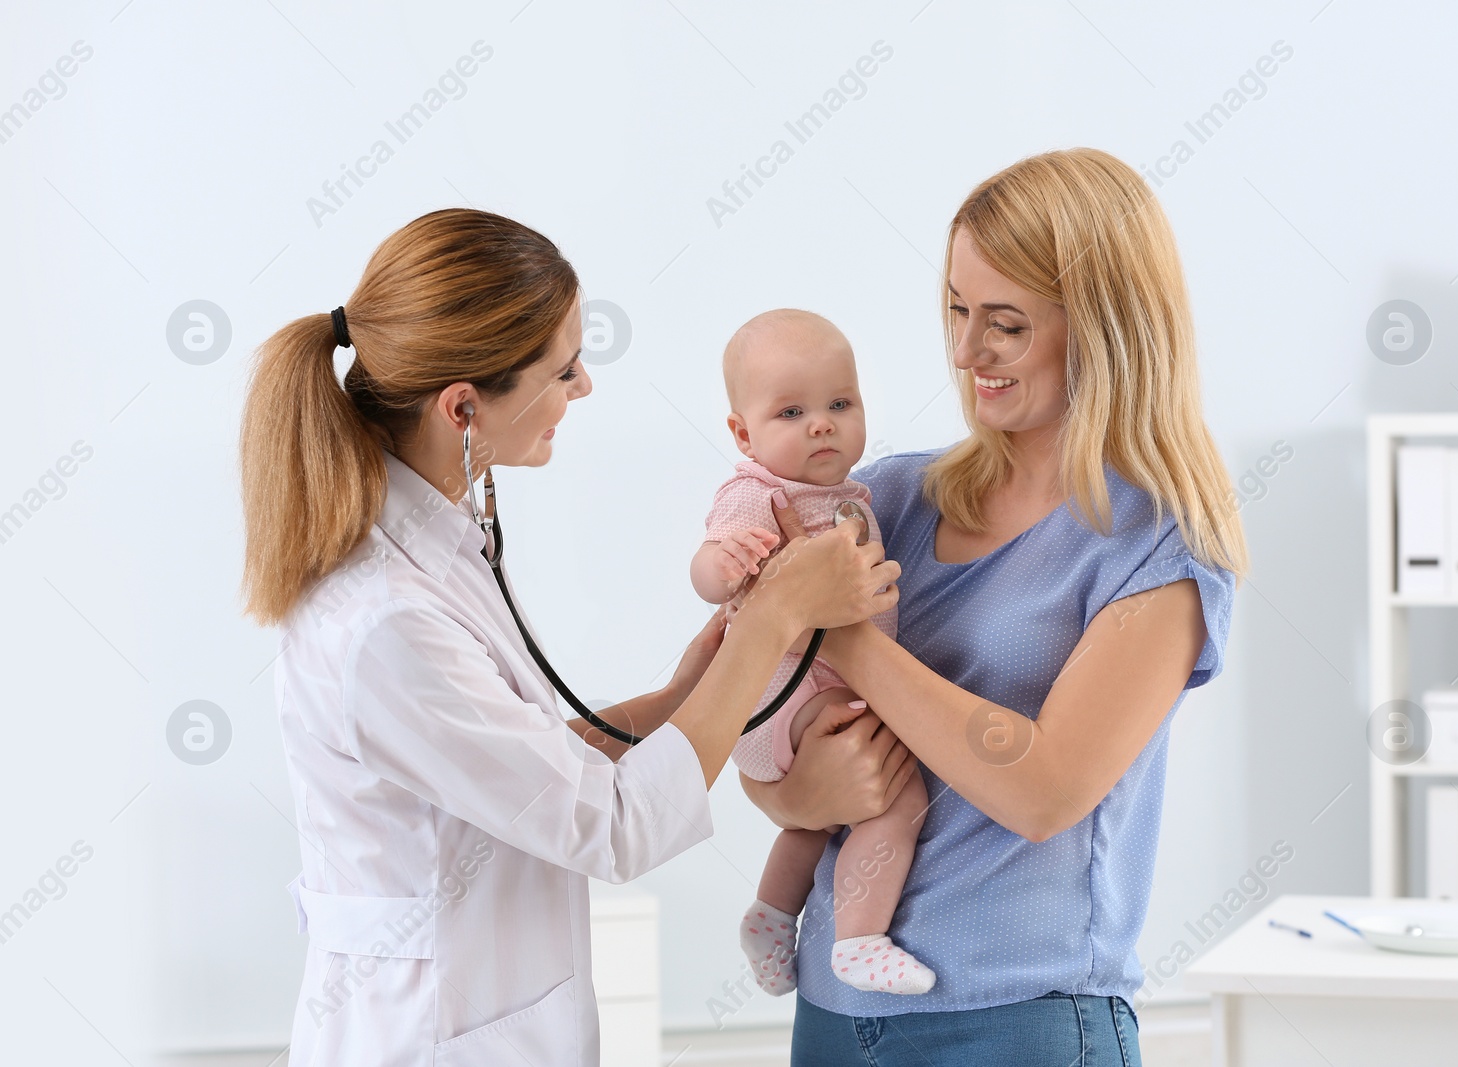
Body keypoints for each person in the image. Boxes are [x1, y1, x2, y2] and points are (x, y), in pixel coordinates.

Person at [236, 208, 901, 1067]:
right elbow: (611, 827)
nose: (583, 387)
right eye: (562, 369)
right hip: (429, 1038)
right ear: (463, 407)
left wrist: (681, 694)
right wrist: (771, 618)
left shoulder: (435, 547)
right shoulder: (384, 623)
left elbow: (523, 770)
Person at [741, 148, 1249, 1067]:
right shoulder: (887, 500)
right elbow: (766, 713)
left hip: (1019, 1021)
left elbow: (1046, 790)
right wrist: (792, 789)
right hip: (833, 1013)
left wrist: (849, 638)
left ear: (1103, 329)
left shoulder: (1156, 545)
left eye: (1006, 324)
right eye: (957, 310)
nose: (968, 351)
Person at [691, 309, 932, 996]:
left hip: (798, 701)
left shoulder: (854, 496)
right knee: (899, 794)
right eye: (792, 410)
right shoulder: (757, 493)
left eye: (839, 404)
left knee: (821, 817)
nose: (821, 423)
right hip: (785, 692)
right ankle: (859, 938)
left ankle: (770, 915)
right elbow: (708, 573)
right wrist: (723, 563)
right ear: (743, 433)